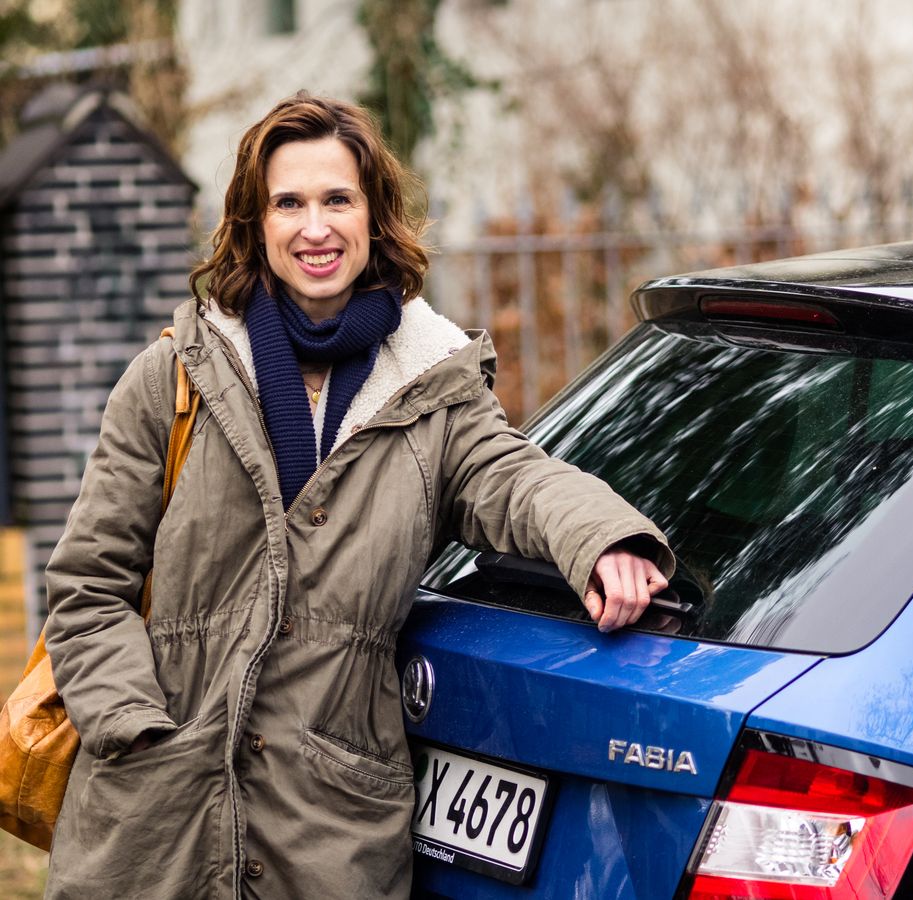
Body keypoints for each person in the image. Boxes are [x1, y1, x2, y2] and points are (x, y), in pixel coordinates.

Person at [41, 92, 672, 898]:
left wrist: (603, 536)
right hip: (154, 824)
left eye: (338, 199)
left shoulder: (434, 388)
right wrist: (136, 730)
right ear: (253, 223)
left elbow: (514, 478)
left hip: (330, 836)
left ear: (375, 216)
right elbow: (87, 587)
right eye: (289, 203)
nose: (315, 228)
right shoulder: (170, 380)